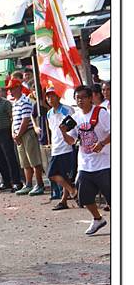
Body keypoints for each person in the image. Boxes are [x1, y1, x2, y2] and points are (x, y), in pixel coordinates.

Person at [59, 86, 110, 235]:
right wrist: (63, 132)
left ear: (90, 98)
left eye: (83, 97)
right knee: (85, 197)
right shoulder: (75, 118)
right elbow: (71, 140)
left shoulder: (101, 113)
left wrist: (102, 143)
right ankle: (97, 219)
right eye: (77, 98)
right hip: (85, 164)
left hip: (105, 162)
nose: (80, 100)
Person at [7, 78, 45, 196]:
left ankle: (39, 184)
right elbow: (14, 120)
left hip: (27, 133)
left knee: (34, 160)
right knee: (24, 162)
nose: (11, 92)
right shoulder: (15, 103)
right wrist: (14, 133)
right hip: (19, 136)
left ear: (18, 88)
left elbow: (25, 120)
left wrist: (18, 134)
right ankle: (28, 184)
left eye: (12, 89)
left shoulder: (25, 101)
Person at [44, 88, 78, 211]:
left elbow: (73, 128)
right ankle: (70, 193)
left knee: (58, 174)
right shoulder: (49, 113)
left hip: (66, 147)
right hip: (56, 147)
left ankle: (68, 196)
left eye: (52, 96)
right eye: (47, 97)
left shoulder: (67, 110)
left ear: (58, 97)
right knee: (55, 175)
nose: (49, 99)